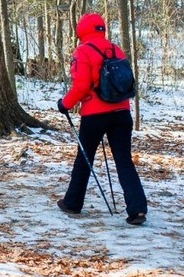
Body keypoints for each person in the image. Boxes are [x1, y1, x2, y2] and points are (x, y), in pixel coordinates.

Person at [56, 12, 148, 225]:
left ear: (81, 31)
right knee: (124, 160)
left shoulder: (83, 51)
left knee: (84, 159)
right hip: (122, 113)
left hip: (95, 115)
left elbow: (80, 86)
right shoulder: (116, 49)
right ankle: (137, 209)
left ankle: (72, 202)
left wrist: (65, 104)